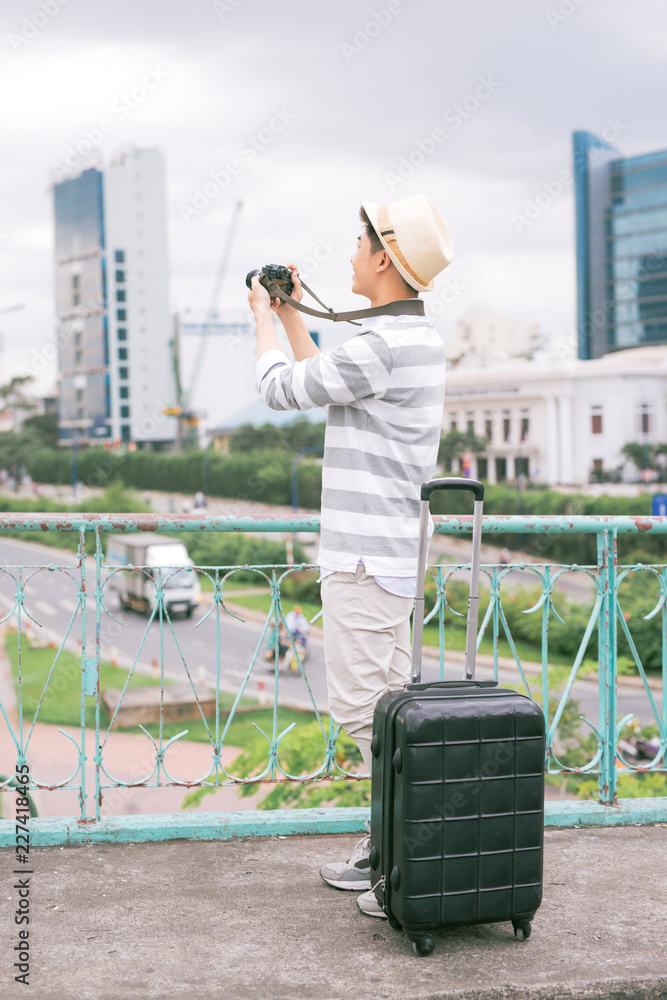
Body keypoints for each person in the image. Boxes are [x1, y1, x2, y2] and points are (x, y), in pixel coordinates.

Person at [248, 193, 453, 919]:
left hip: (365, 561)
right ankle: (384, 850)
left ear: (384, 259)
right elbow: (329, 379)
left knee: (369, 717)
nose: (349, 254)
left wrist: (261, 323)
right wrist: (294, 315)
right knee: (388, 710)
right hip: (386, 556)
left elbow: (281, 389)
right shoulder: (403, 342)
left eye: (359, 244)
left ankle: (406, 863)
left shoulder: (385, 346)